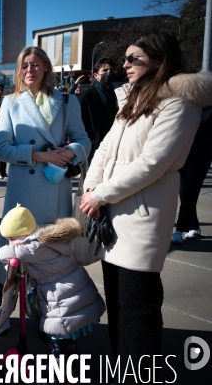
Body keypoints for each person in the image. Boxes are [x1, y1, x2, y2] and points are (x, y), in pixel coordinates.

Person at [80, 29, 212, 375]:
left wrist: (101, 194)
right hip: (110, 210)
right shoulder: (134, 98)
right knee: (119, 304)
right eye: (125, 59)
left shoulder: (180, 103)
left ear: (159, 61)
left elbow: (153, 163)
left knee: (139, 308)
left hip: (142, 214)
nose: (124, 65)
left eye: (132, 59)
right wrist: (91, 188)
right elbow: (105, 147)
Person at [0, 46, 90, 315]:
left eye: (35, 64)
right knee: (16, 248)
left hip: (55, 187)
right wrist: (40, 155)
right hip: (23, 189)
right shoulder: (10, 102)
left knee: (52, 252)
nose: (29, 70)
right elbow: (1, 149)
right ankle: (3, 299)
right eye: (24, 65)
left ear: (46, 67)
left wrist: (69, 152)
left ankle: (51, 313)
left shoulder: (67, 101)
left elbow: (83, 140)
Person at [0, 204, 105, 379]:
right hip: (75, 289)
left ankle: (55, 378)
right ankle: (66, 372)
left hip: (61, 299)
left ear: (24, 234)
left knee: (58, 339)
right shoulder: (46, 235)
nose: (10, 243)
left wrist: (11, 248)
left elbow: (5, 253)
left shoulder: (32, 247)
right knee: (69, 338)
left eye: (11, 238)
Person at [172, 106, 212, 244]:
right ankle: (194, 226)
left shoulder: (209, 111)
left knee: (190, 193)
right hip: (182, 156)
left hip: (201, 158)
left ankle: (179, 230)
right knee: (184, 194)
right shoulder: (187, 106)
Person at [78, 58, 118, 163]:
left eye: (111, 70)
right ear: (96, 75)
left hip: (115, 147)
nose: (109, 73)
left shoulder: (119, 95)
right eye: (105, 70)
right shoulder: (85, 97)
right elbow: (82, 126)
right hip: (94, 150)